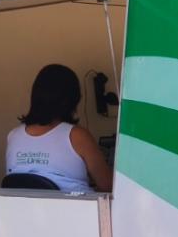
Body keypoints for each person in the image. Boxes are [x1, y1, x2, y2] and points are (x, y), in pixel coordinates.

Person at [6, 64, 113, 193]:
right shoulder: (77, 135)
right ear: (73, 98)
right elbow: (108, 185)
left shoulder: (13, 135)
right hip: (75, 211)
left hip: (27, 212)